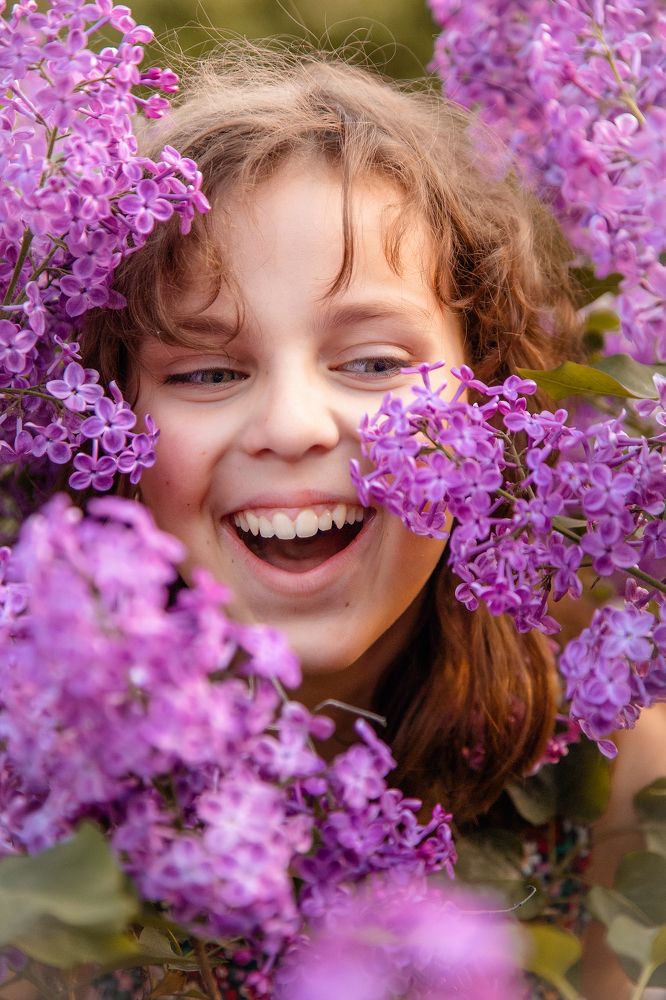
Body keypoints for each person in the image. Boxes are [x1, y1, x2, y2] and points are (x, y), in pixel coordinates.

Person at [81, 42, 666, 999]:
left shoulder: (616, 789)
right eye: (207, 372)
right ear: (105, 422)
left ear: (493, 398)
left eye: (373, 363)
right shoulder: (40, 828)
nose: (293, 426)